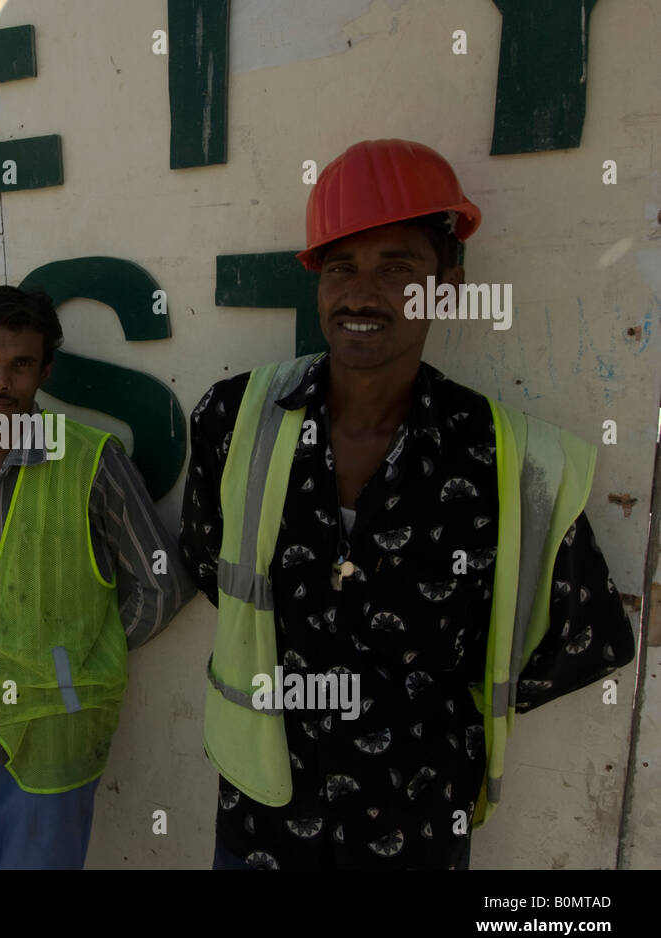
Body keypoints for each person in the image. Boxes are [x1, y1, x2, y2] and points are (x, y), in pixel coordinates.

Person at [181, 139, 636, 869]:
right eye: (342, 268)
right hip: (262, 817)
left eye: (398, 267)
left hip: (416, 826)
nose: (362, 293)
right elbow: (212, 562)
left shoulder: (507, 460)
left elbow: (576, 638)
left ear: (447, 286)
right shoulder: (234, 420)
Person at [0, 285, 192, 869]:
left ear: (44, 371)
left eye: (21, 364)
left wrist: (82, 658)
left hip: (54, 733)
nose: (0, 381)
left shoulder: (89, 459)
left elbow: (163, 583)